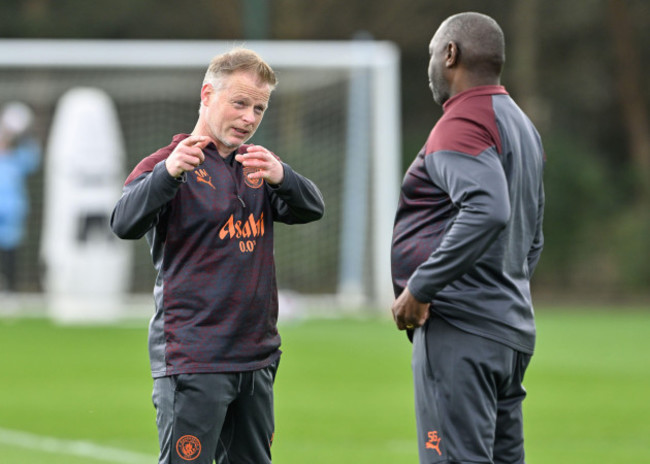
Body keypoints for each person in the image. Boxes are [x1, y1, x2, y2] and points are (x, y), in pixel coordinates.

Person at [110, 48, 324, 464]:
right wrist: (168, 174)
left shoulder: (258, 167)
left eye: (259, 108)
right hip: (194, 359)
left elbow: (311, 208)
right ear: (207, 95)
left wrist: (284, 176)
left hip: (256, 357)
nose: (249, 117)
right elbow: (123, 222)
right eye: (240, 103)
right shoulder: (166, 164)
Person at [390, 12, 545, 464]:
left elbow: (489, 209)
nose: (431, 66)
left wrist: (422, 286)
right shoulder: (521, 125)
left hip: (462, 331)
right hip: (508, 331)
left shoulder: (462, 123)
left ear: (451, 54)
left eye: (432, 55)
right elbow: (532, 236)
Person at [0, 101, 41, 293]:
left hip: (12, 212)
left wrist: (25, 135)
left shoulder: (18, 159)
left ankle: (10, 291)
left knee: (10, 253)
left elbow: (34, 159)